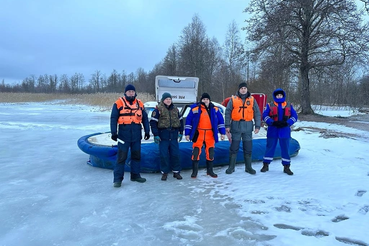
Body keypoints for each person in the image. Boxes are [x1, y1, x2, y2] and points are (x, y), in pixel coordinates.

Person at [110, 84, 150, 187]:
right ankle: (117, 179)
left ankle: (135, 175)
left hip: (136, 135)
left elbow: (145, 118)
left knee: (136, 156)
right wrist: (114, 132)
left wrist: (147, 131)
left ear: (135, 93)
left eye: (132, 91)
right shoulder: (118, 103)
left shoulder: (140, 103)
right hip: (123, 135)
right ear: (125, 93)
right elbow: (113, 118)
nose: (131, 93)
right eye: (129, 92)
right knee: (121, 157)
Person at [185, 93, 226, 178]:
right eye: (204, 99)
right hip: (198, 133)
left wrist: (222, 133)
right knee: (196, 152)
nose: (205, 101)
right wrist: (187, 133)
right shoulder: (195, 109)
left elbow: (221, 121)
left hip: (210, 134)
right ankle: (194, 172)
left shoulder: (215, 109)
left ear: (209, 100)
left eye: (207, 99)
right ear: (201, 100)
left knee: (210, 152)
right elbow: (188, 121)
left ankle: (210, 171)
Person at [225, 82, 261, 174]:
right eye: (241, 88)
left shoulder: (252, 99)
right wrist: (227, 126)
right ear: (239, 89)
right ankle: (231, 167)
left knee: (248, 148)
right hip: (236, 126)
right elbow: (228, 112)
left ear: (247, 89)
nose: (243, 90)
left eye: (245, 88)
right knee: (234, 148)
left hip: (248, 126)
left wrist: (257, 126)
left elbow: (257, 113)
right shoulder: (233, 99)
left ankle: (248, 167)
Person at [261, 88, 298, 175]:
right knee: (270, 147)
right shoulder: (270, 105)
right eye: (277, 95)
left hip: (284, 129)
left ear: (283, 96)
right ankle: (265, 165)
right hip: (273, 129)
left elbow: (294, 116)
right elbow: (265, 115)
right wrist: (272, 122)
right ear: (275, 96)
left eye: (280, 95)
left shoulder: (289, 105)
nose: (279, 96)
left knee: (285, 148)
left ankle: (286, 167)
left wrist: (287, 123)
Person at [150, 92, 184, 181]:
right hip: (163, 135)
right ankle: (164, 172)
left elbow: (181, 121)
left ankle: (176, 172)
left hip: (174, 135)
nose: (168, 101)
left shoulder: (176, 109)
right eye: (166, 99)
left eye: (169, 99)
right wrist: (156, 134)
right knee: (164, 155)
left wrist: (181, 132)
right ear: (163, 100)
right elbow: (153, 123)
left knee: (175, 154)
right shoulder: (158, 110)